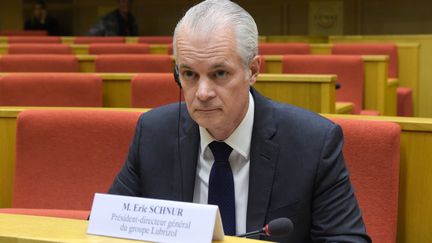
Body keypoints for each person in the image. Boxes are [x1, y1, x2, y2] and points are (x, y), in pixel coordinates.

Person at [108, 0, 371, 242]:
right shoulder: (153, 134)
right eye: (189, 74)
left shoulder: (313, 143)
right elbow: (106, 227)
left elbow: (346, 239)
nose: (202, 93)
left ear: (253, 70)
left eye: (219, 73)